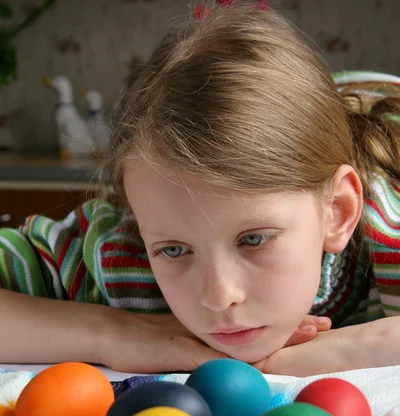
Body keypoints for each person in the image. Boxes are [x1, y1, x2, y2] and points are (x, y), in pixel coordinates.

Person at [0, 4, 399, 377]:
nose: (218, 297)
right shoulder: (119, 254)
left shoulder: (387, 232)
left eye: (254, 239)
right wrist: (114, 331)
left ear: (338, 212)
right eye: (173, 250)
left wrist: (352, 348)